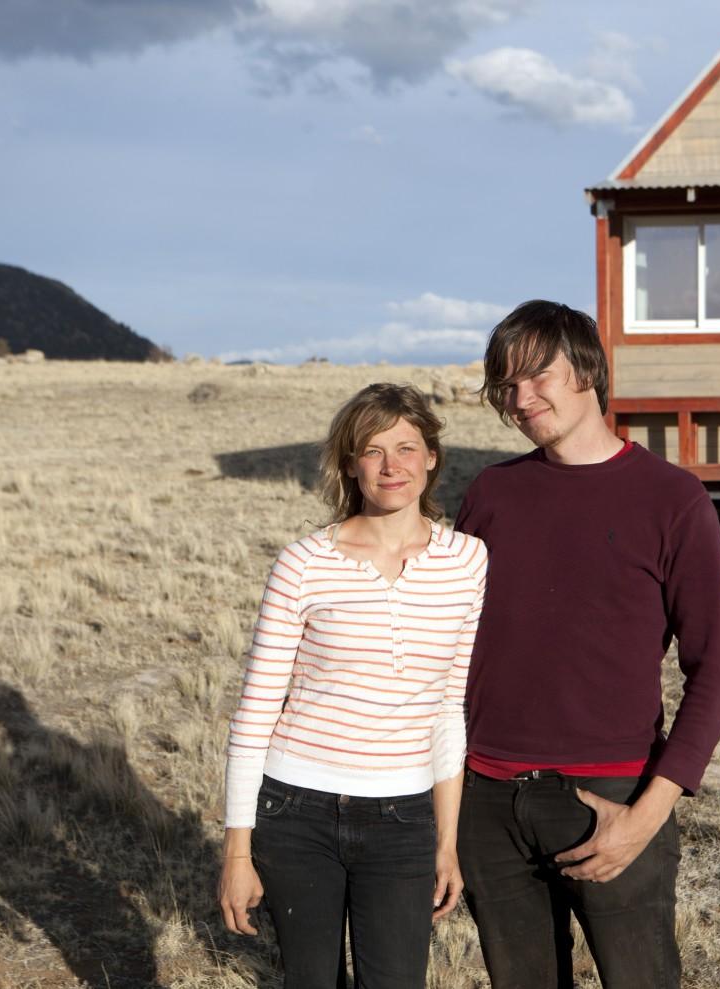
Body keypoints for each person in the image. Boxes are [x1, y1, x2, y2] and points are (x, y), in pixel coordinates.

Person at [454, 300, 720, 989]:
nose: (521, 400)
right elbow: (445, 637)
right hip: (486, 801)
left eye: (537, 377)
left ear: (587, 369)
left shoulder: (673, 499)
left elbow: (716, 672)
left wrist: (645, 818)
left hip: (612, 795)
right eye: (506, 387)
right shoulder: (492, 493)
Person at [218, 383, 487, 989]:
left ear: (432, 457)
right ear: (349, 464)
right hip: (296, 810)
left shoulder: (469, 562)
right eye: (372, 451)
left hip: (403, 818)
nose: (392, 467)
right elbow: (254, 713)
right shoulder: (303, 562)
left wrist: (446, 844)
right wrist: (237, 853)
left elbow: (448, 712)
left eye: (407, 448)